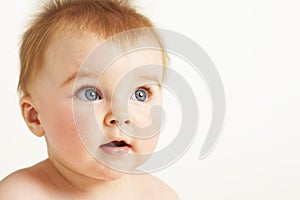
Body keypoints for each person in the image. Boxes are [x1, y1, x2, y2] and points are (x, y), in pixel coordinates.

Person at [0, 0, 180, 199]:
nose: (120, 116)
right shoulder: (19, 194)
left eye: (140, 94)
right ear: (35, 116)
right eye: (91, 94)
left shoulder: (157, 195)